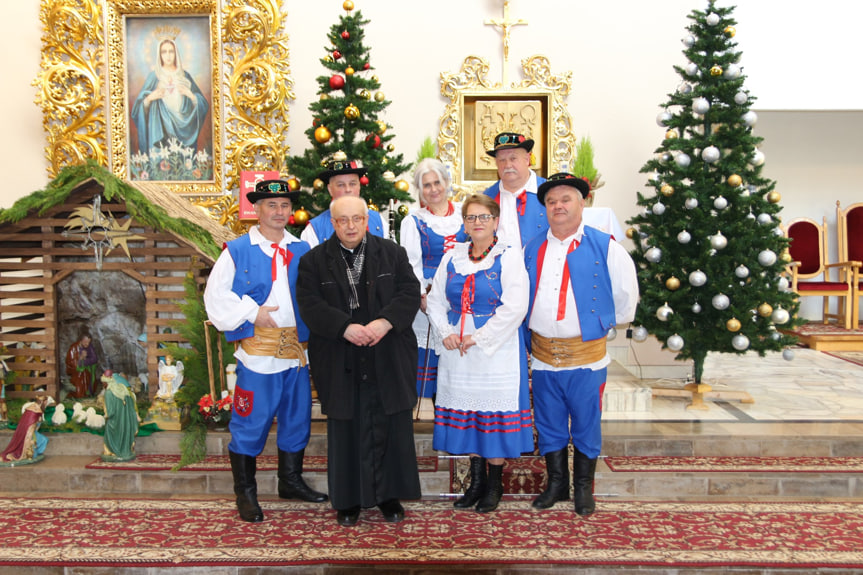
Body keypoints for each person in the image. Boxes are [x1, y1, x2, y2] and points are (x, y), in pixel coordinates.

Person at [203, 179, 328, 523]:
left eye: (284, 205)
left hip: (296, 354)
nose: (279, 212)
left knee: (296, 418)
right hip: (258, 356)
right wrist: (251, 312)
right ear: (256, 210)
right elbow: (215, 296)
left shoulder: (301, 249)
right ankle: (245, 492)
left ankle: (290, 481)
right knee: (250, 421)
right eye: (271, 205)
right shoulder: (237, 251)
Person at [297, 195, 422, 527]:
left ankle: (389, 497)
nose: (350, 226)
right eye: (343, 220)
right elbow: (309, 304)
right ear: (333, 223)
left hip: (387, 351)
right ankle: (348, 500)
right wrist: (344, 328)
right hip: (341, 354)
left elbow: (409, 292)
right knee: (346, 427)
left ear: (367, 220)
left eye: (357, 219)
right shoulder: (313, 261)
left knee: (390, 425)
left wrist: (385, 322)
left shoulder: (392, 253)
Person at [523, 173, 639, 516]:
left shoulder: (606, 247)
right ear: (545, 208)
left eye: (565, 199)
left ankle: (584, 488)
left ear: (582, 203)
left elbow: (625, 299)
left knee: (586, 422)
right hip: (543, 355)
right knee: (548, 422)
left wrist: (598, 324)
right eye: (551, 201)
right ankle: (557, 484)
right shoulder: (533, 247)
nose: (558, 206)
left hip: (586, 356)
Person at [426, 194, 533, 513]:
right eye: (471, 218)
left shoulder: (509, 257)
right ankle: (475, 483)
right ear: (465, 223)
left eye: (483, 217)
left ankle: (494, 485)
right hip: (458, 352)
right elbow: (435, 301)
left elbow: (516, 307)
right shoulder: (452, 257)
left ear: (496, 221)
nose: (477, 223)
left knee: (493, 417)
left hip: (494, 350)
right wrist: (445, 332)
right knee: (470, 417)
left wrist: (480, 337)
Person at [399, 158, 467, 400]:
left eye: (437, 182)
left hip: (461, 298)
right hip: (429, 299)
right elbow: (410, 264)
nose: (433, 189)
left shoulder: (465, 213)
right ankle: (427, 418)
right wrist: (422, 296)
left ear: (447, 183)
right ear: (420, 190)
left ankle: (456, 414)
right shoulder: (414, 221)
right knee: (428, 359)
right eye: (426, 185)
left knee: (458, 356)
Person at [131, 34, 209, 157]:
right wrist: (150, 98)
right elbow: (136, 111)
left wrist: (191, 95)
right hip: (160, 132)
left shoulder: (185, 76)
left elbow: (204, 106)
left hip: (184, 133)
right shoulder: (154, 76)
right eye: (164, 52)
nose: (168, 56)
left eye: (171, 51)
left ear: (176, 53)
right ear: (159, 55)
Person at [300, 156, 388, 248]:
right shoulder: (315, 229)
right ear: (330, 189)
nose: (348, 189)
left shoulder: (378, 221)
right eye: (341, 185)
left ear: (359, 186)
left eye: (352, 184)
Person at [482, 132, 548, 249]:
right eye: (502, 160)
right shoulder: (487, 198)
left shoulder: (548, 192)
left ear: (527, 159)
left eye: (513, 158)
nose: (507, 165)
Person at [100, 371, 140, 462]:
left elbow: (110, 412)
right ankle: (125, 450)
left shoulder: (109, 393)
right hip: (126, 419)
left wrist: (105, 416)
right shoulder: (123, 389)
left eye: (103, 383)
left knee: (110, 432)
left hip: (115, 421)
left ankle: (114, 451)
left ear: (106, 382)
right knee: (124, 432)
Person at [0, 395, 49, 465]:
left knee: (44, 440)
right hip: (29, 433)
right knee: (42, 440)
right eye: (45, 402)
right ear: (43, 402)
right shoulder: (36, 411)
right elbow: (31, 424)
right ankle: (33, 453)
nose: (46, 404)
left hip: (30, 431)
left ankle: (37, 452)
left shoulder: (33, 408)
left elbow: (32, 423)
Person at [65, 333, 99, 398]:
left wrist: (85, 361)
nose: (87, 344)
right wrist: (80, 358)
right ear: (81, 340)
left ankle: (88, 393)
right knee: (79, 384)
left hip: (87, 370)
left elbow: (94, 359)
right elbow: (71, 362)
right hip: (77, 372)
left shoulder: (89, 347)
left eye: (89, 342)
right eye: (85, 342)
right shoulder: (73, 348)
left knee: (90, 379)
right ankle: (79, 394)